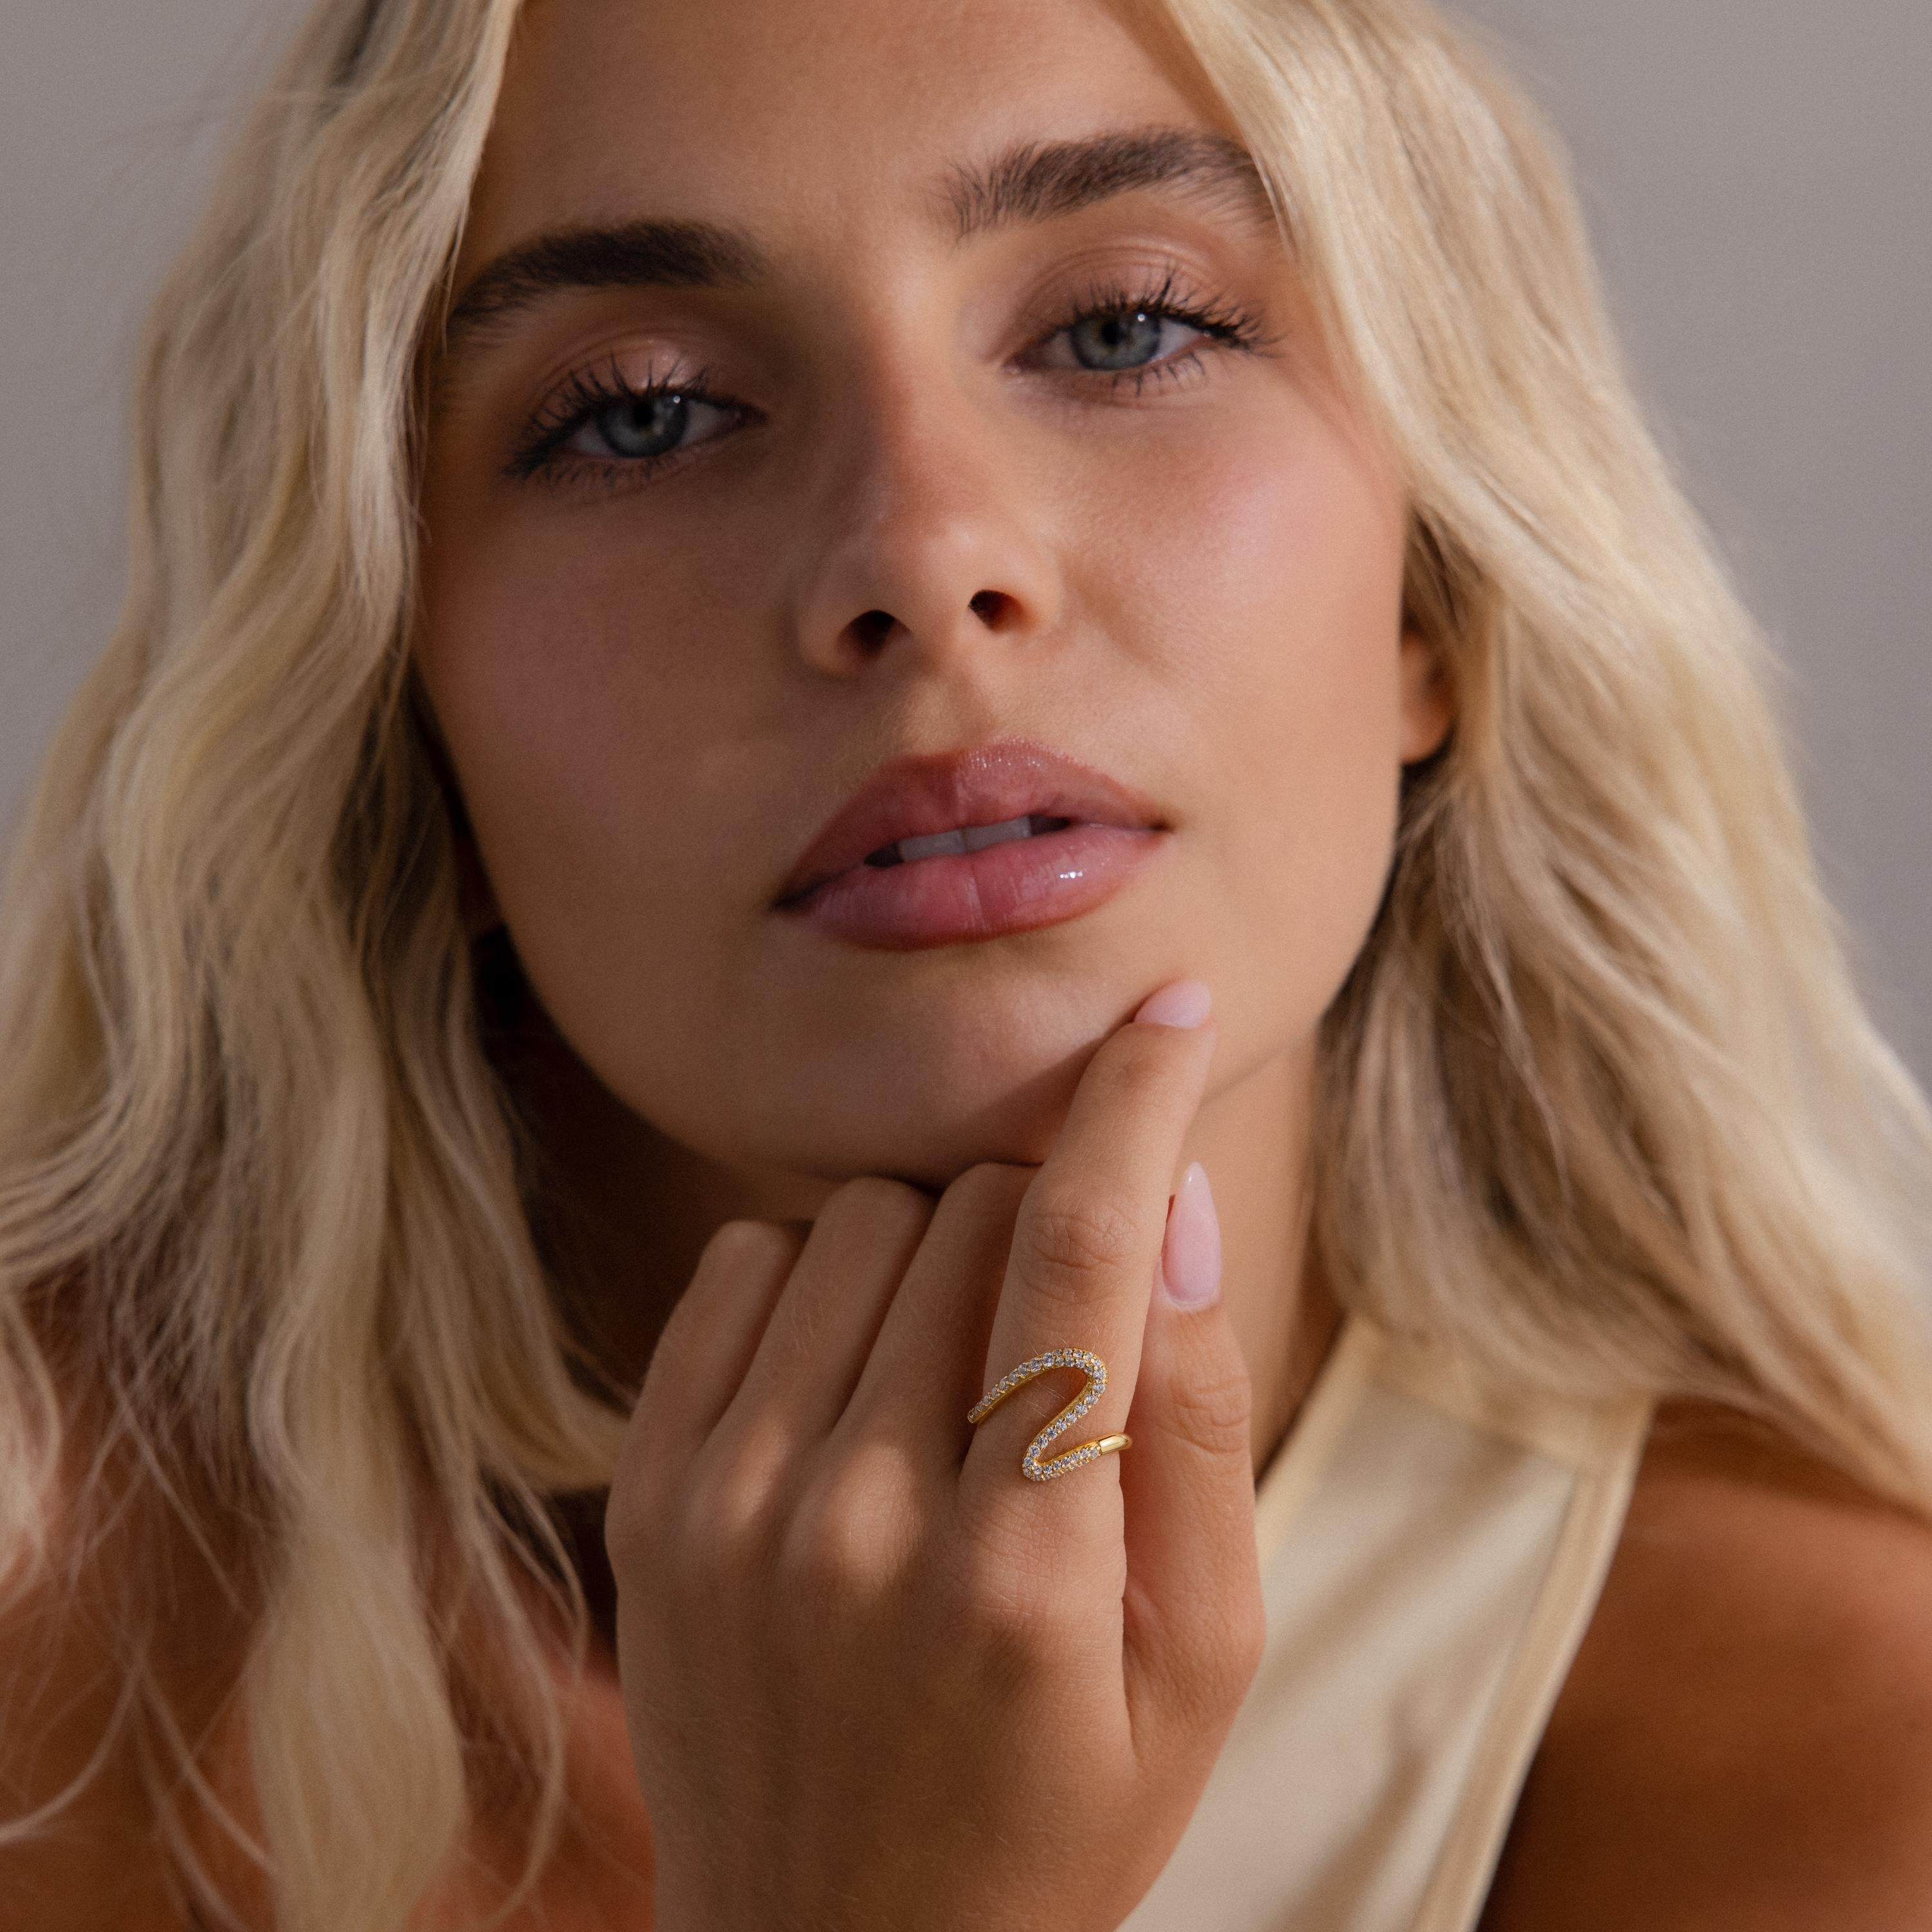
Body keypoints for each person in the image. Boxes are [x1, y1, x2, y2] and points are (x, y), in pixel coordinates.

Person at [4, 0, 1932, 1926]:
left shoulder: (1856, 1761)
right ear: (401, 710)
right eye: (648, 409)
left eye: (1126, 328)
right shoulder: (48, 1651)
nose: (923, 551)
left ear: (1433, 593)